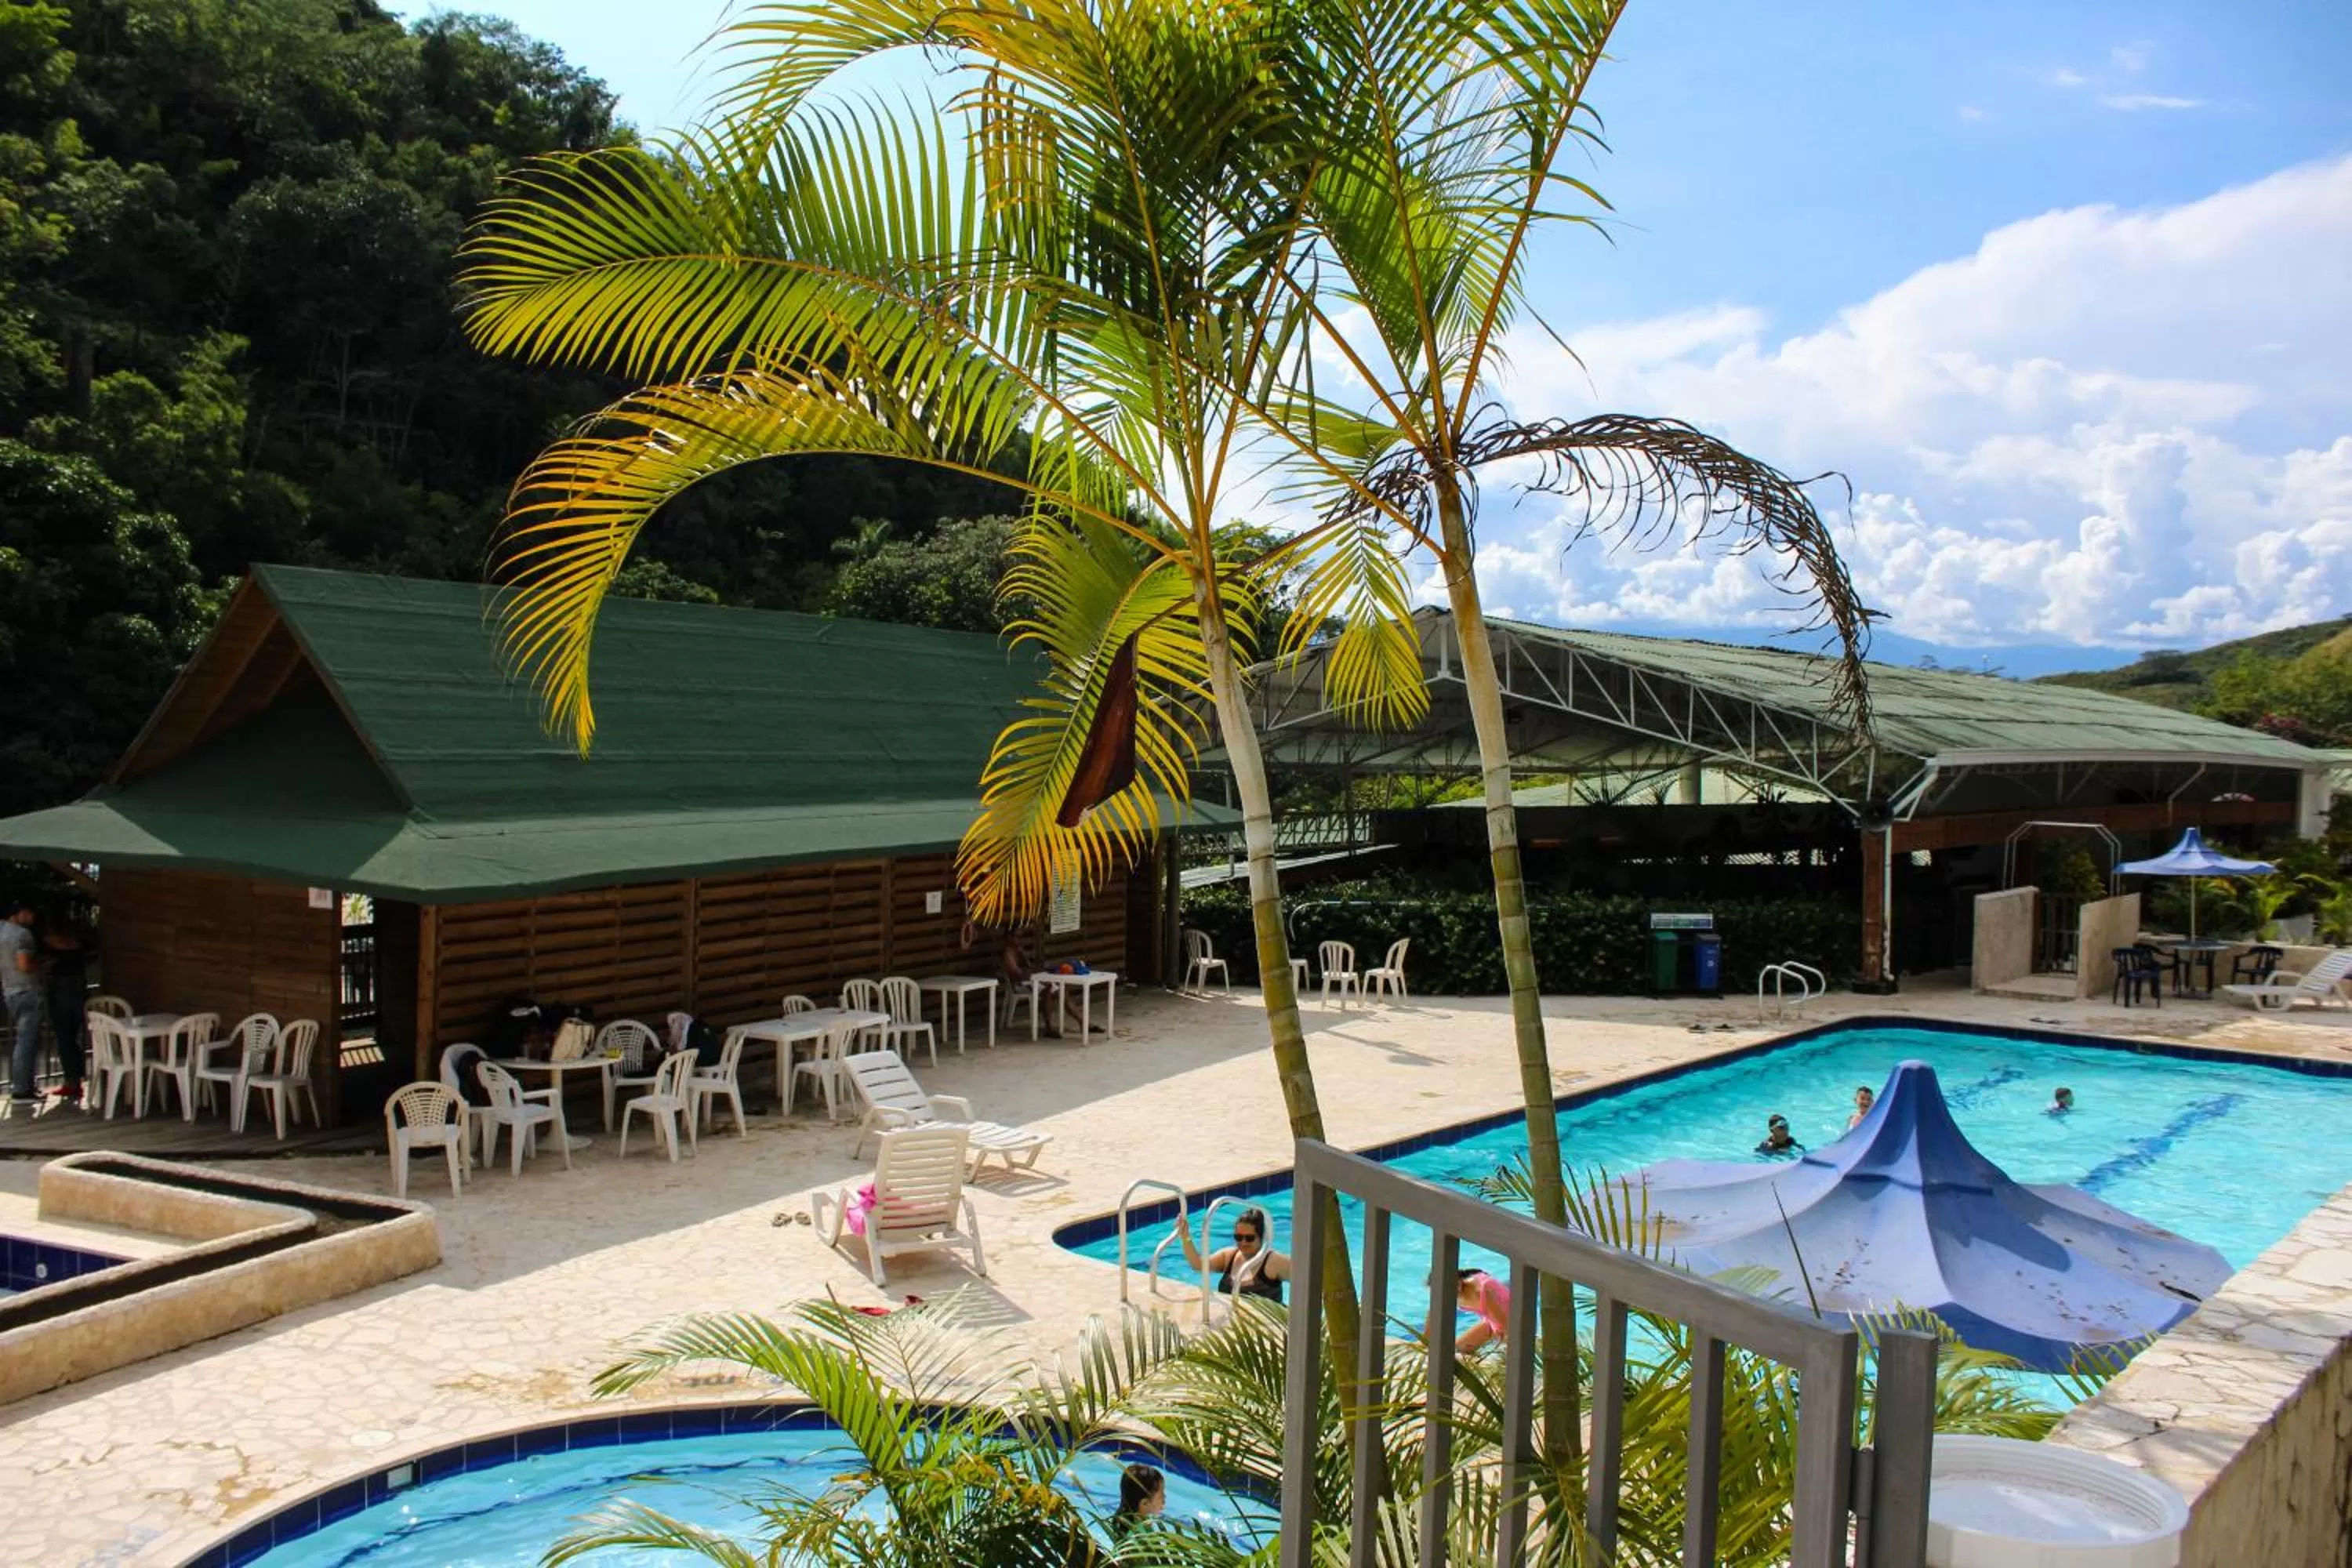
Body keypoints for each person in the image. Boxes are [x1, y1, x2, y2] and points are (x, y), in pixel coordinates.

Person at [1177, 1205, 1289, 1302]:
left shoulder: (1273, 1261)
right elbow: (1198, 1265)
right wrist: (1185, 1237)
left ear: (1261, 1237)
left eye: (1249, 1238)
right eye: (1238, 1237)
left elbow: (1304, 1277)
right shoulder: (1229, 1256)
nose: (1243, 1242)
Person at [42, 916, 90, 1109]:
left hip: (62, 994)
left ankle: (73, 1082)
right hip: (80, 991)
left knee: (64, 1038)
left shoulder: (48, 945)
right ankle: (77, 1078)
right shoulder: (78, 944)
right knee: (75, 1037)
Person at [2, 899, 45, 1112]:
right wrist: (43, 965)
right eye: (29, 913)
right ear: (17, 914)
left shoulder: (1, 931)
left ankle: (26, 1086)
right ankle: (21, 1089)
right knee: (27, 1041)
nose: (32, 917)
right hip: (27, 990)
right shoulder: (22, 935)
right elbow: (24, 964)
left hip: (9, 990)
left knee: (24, 1040)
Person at [1450, 1267, 1512, 1354]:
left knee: (1457, 1352)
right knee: (1455, 1350)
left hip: (1512, 1322)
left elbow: (1507, 1327)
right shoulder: (1462, 1293)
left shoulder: (1482, 1290)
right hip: (1493, 1322)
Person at [1111, 1463, 1165, 1538]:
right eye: (1161, 1494)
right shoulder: (1138, 1536)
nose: (1164, 1497)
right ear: (1145, 1503)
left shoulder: (1122, 1519)